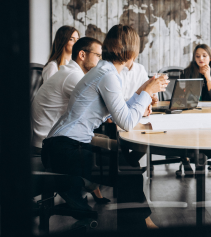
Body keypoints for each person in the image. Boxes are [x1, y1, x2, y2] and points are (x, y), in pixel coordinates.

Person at [42, 25, 168, 229]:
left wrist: (143, 93)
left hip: (62, 145)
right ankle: (139, 226)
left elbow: (119, 111)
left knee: (129, 165)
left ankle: (142, 222)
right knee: (128, 171)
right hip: (63, 149)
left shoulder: (105, 72)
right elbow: (126, 122)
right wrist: (145, 94)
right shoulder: (107, 76)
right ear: (131, 52)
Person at [32, 37, 111, 203]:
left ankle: (90, 192)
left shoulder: (69, 72)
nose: (100, 61)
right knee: (104, 149)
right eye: (98, 55)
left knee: (102, 142)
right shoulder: (73, 76)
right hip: (51, 143)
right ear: (82, 55)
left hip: (52, 136)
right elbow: (102, 106)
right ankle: (81, 194)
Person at [175, 44, 211, 177]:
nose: (201, 58)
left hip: (208, 112)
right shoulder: (187, 71)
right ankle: (185, 159)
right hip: (190, 110)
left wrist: (208, 77)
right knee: (183, 128)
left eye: (204, 55)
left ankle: (200, 157)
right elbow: (181, 97)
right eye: (197, 56)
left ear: (210, 57)